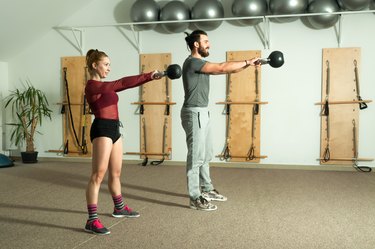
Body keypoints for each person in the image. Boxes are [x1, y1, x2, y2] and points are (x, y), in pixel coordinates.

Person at [84, 49, 163, 235]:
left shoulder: (104, 85)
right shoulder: (92, 86)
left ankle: (118, 207)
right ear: (95, 65)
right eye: (106, 64)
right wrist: (148, 75)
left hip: (115, 129)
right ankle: (91, 220)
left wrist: (150, 77)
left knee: (116, 172)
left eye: (109, 65)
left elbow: (123, 84)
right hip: (102, 128)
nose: (109, 68)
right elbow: (121, 83)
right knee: (98, 175)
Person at [181, 30, 260, 211]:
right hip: (193, 113)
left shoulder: (200, 64)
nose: (209, 44)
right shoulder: (193, 62)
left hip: (203, 112)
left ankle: (207, 189)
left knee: (206, 154)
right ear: (196, 44)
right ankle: (194, 197)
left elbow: (225, 71)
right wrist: (247, 61)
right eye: (206, 41)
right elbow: (222, 67)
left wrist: (248, 65)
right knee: (196, 157)